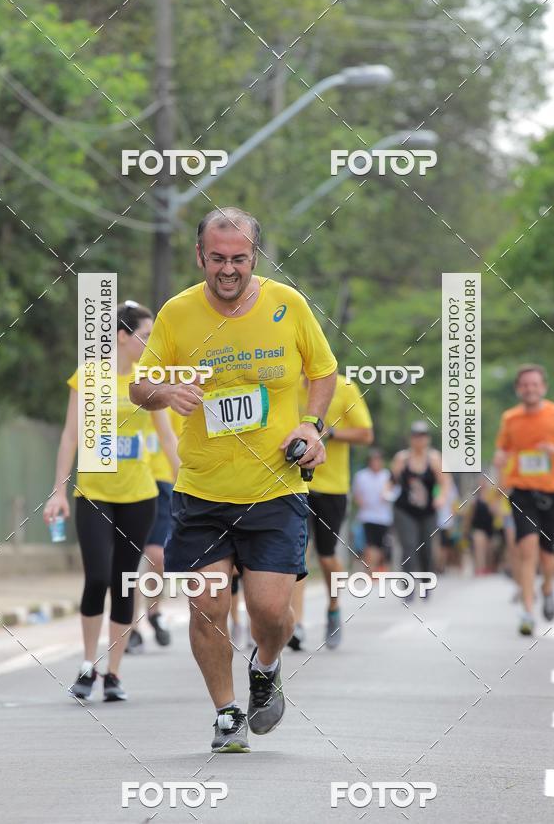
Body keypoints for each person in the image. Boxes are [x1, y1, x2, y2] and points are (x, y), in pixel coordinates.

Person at [130, 207, 338, 752]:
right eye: (217, 258)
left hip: (275, 487)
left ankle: (265, 668)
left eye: (239, 259)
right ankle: (225, 712)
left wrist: (311, 425)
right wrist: (165, 392)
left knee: (271, 612)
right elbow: (140, 385)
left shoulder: (287, 304)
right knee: (208, 605)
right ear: (200, 255)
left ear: (255, 257)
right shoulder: (177, 313)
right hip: (201, 490)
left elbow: (323, 371)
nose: (228, 269)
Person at [43, 301, 178, 701]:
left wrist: (187, 484)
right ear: (123, 335)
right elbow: (70, 435)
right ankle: (88, 664)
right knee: (98, 577)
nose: (151, 341)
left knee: (124, 581)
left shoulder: (148, 380)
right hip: (95, 495)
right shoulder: (89, 377)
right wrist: (58, 490)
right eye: (146, 334)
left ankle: (114, 674)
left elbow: (168, 437)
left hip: (140, 496)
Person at [288, 373, 373, 651]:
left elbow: (365, 433)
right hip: (293, 484)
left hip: (333, 486)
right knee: (298, 552)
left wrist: (330, 432)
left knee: (326, 559)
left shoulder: (344, 387)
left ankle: (334, 607)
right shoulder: (285, 383)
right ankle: (296, 624)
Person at [493, 364, 554, 636]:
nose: (530, 389)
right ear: (519, 389)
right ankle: (528, 612)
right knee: (527, 548)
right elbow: (503, 451)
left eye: (535, 384)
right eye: (525, 385)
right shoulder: (510, 419)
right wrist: (500, 464)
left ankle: (548, 586)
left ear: (543, 387)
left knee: (547, 554)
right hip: (522, 492)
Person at [126, 410, 182, 653]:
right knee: (130, 559)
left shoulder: (171, 395)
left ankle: (154, 611)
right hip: (129, 481)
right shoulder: (124, 388)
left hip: (161, 480)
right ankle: (130, 628)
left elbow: (178, 439)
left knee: (157, 556)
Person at [390, 421, 450, 594]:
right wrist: (390, 484)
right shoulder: (402, 458)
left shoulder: (434, 459)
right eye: (416, 436)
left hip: (428, 510)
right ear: (411, 439)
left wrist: (441, 497)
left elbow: (445, 482)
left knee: (426, 548)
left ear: (427, 439)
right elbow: (391, 481)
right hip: (405, 510)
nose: (419, 440)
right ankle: (407, 587)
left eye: (422, 436)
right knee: (409, 546)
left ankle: (425, 581)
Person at [352, 448, 392, 575]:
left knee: (381, 546)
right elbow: (356, 494)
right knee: (370, 545)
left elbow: (393, 492)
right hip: (367, 516)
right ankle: (370, 570)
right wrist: (361, 502)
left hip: (384, 517)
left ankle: (379, 569)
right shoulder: (361, 476)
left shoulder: (387, 476)